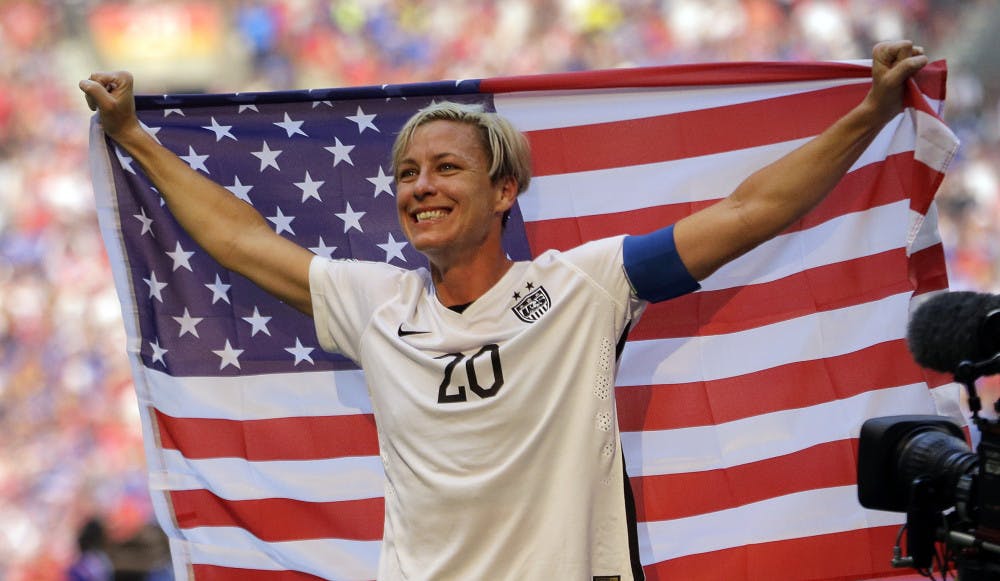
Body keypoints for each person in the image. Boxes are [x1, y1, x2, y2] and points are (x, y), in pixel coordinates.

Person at [80, 40, 928, 580]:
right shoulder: (375, 300)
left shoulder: (584, 288)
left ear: (503, 190)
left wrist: (869, 112)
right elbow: (241, 241)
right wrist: (135, 136)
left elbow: (750, 214)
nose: (421, 187)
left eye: (446, 168)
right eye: (408, 175)